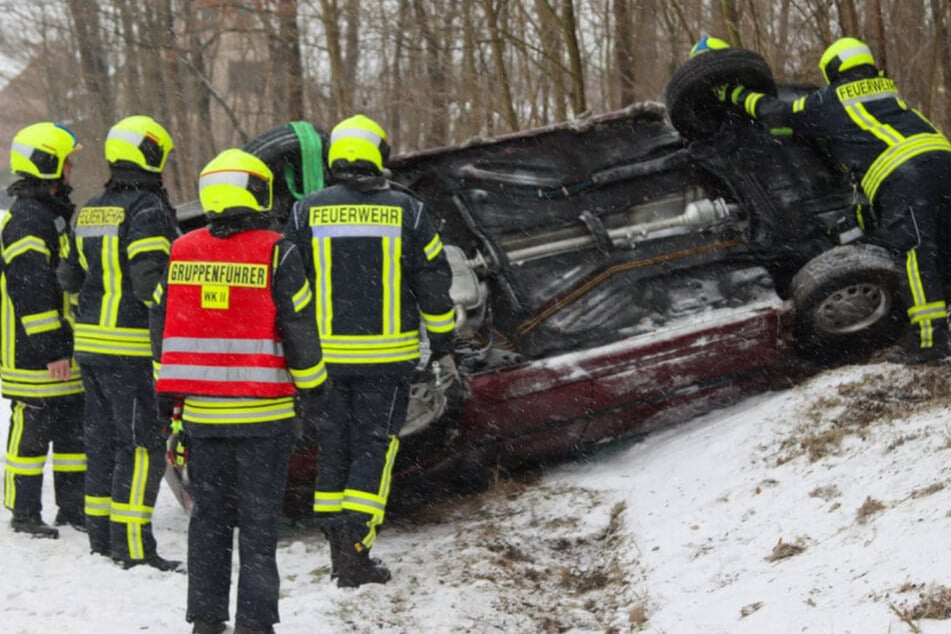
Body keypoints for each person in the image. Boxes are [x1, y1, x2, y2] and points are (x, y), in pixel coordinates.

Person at [151, 148, 327, 634]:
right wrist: (315, 395)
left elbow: (161, 328)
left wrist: (167, 401)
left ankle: (206, 622)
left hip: (203, 420)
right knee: (258, 524)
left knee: (207, 521)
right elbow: (300, 329)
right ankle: (255, 623)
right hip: (264, 419)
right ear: (257, 191)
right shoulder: (278, 249)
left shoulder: (181, 250)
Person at [283, 114, 456, 587]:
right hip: (386, 361)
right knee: (372, 450)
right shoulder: (408, 210)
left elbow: (287, 289)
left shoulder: (305, 211)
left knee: (333, 447)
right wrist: (442, 343)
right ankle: (357, 550)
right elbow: (434, 283)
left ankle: (338, 544)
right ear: (377, 155)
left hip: (325, 363)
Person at [716, 37, 951, 363]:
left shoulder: (831, 98)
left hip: (906, 174)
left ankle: (931, 344)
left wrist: (733, 94)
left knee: (915, 252)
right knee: (944, 245)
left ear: (833, 69)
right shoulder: (887, 91)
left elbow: (777, 113)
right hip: (943, 161)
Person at [56, 114, 182, 568]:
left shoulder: (89, 208)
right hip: (129, 350)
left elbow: (68, 276)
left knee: (104, 442)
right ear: (148, 155)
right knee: (143, 447)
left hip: (90, 345)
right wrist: (183, 310)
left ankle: (102, 536)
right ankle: (133, 546)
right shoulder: (147, 210)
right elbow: (153, 285)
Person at [2, 122, 86, 538]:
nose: (72, 167)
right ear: (49, 163)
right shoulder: (27, 220)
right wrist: (52, 349)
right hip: (34, 353)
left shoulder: (51, 213)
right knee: (32, 433)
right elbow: (32, 289)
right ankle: (24, 512)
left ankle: (72, 509)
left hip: (58, 346)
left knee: (72, 431)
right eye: (67, 160)